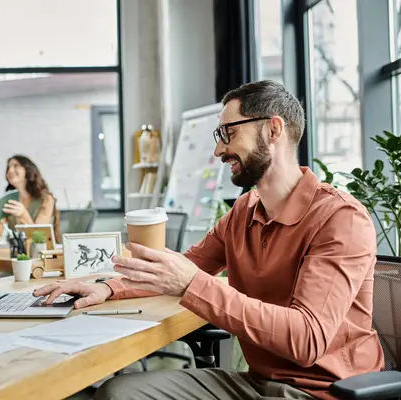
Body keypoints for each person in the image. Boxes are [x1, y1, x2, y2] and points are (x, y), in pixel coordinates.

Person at [33, 80, 384, 400]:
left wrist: (192, 285)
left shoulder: (340, 219)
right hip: (257, 383)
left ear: (273, 129)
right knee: (120, 393)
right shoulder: (244, 211)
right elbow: (183, 268)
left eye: (228, 133)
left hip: (323, 393)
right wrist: (107, 288)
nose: (219, 152)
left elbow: (306, 340)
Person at [0, 155, 61, 244]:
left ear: (28, 170)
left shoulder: (46, 199)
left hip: (43, 253)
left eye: (16, 166)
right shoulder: (9, 200)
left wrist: (23, 215)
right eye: (8, 167)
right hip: (18, 253)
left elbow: (39, 238)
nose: (10, 170)